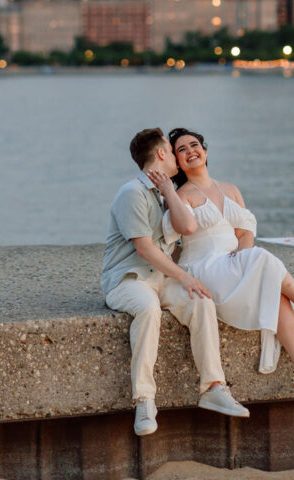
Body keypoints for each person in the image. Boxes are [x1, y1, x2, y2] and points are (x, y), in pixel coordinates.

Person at [147, 127, 294, 399]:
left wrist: (242, 255)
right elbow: (182, 228)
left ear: (206, 151)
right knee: (264, 261)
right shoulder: (181, 195)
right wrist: (169, 191)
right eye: (182, 150)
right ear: (176, 161)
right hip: (204, 269)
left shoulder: (230, 189)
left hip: (234, 263)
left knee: (276, 290)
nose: (190, 151)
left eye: (194, 145)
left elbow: (245, 232)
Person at [101, 127, 250, 437]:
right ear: (161, 154)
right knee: (149, 309)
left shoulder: (162, 191)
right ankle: (144, 399)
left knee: (201, 301)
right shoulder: (132, 192)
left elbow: (189, 226)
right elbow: (144, 248)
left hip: (160, 277)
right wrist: (185, 276)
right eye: (172, 149)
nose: (178, 156)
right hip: (127, 279)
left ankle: (213, 386)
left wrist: (170, 191)